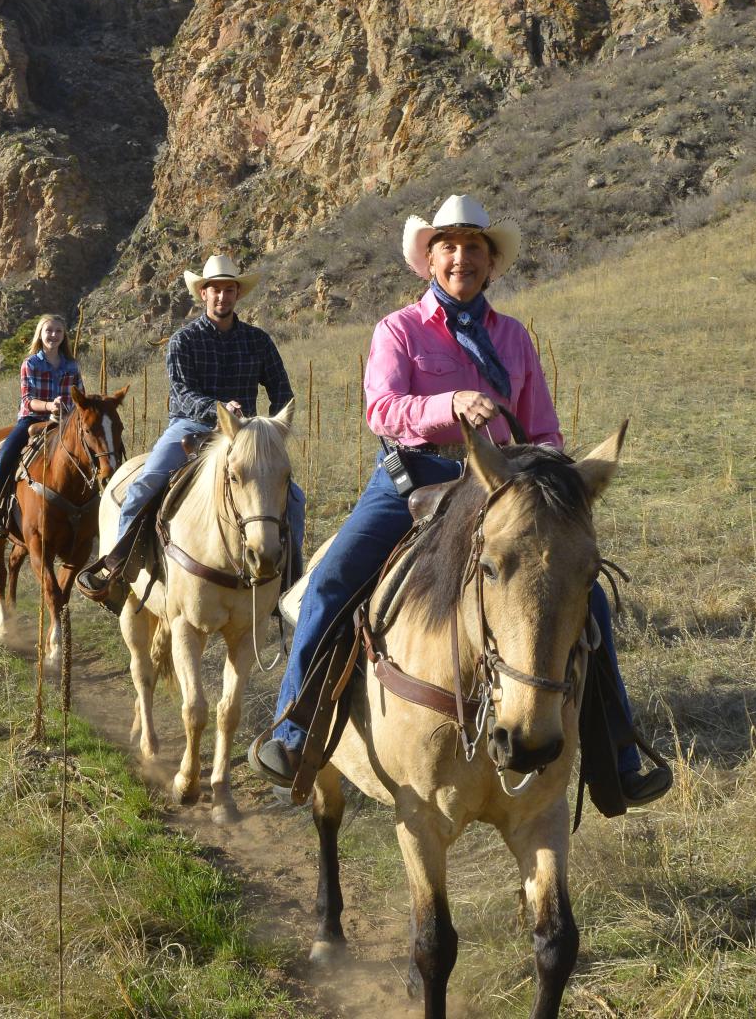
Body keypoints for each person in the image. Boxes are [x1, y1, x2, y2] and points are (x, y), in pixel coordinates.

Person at [250, 194, 670, 807]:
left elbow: (543, 429)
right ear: (428, 259)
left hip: (502, 489)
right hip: (411, 481)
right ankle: (297, 731)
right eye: (447, 246)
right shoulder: (399, 329)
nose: (461, 258)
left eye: (474, 247)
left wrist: (551, 476)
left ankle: (617, 756)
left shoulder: (515, 338)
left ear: (492, 263)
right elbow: (381, 409)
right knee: (333, 580)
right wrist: (449, 407)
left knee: (590, 600)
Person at [76, 254, 304, 601]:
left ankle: (289, 581)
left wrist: (270, 430)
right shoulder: (184, 341)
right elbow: (183, 393)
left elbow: (281, 392)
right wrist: (219, 409)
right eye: (216, 290)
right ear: (203, 294)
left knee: (294, 499)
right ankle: (118, 567)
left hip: (243, 437)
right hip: (190, 427)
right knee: (145, 484)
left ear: (237, 295)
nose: (222, 297)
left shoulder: (259, 342)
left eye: (229, 290)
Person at [0, 315, 85, 539]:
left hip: (66, 421)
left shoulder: (72, 365)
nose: (54, 335)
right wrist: (50, 405)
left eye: (58, 331)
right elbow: (27, 399)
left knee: (94, 452)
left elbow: (81, 396)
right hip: (33, 419)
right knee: (6, 455)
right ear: (40, 334)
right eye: (49, 330)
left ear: (64, 335)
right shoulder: (31, 363)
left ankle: (92, 510)